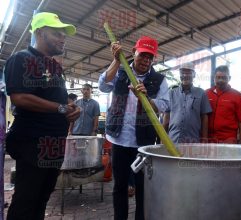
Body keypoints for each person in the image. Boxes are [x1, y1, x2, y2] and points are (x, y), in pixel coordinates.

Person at [3, 12, 80, 220]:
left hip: (54, 145)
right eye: (57, 34)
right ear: (40, 32)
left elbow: (60, 102)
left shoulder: (55, 68)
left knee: (42, 198)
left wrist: (71, 109)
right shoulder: (22, 59)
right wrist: (60, 109)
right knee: (25, 202)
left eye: (64, 35)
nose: (63, 38)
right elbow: (19, 97)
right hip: (32, 143)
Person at [98, 36, 169, 220]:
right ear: (133, 53)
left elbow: (164, 105)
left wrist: (148, 99)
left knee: (142, 188)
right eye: (142, 55)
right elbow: (103, 85)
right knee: (120, 186)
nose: (146, 60)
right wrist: (115, 60)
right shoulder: (121, 72)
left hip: (143, 143)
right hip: (119, 140)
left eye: (150, 57)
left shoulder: (159, 80)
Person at [163, 62, 212, 143]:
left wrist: (204, 139)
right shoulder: (171, 93)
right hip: (173, 140)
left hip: (193, 140)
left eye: (189, 72)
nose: (185, 75)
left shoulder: (201, 93)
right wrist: (163, 139)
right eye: (183, 72)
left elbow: (204, 118)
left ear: (194, 75)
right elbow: (166, 116)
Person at [206, 65, 241, 144]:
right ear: (214, 78)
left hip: (229, 140)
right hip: (209, 139)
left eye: (224, 78)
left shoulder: (237, 95)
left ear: (229, 78)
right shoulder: (207, 94)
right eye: (218, 77)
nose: (220, 80)